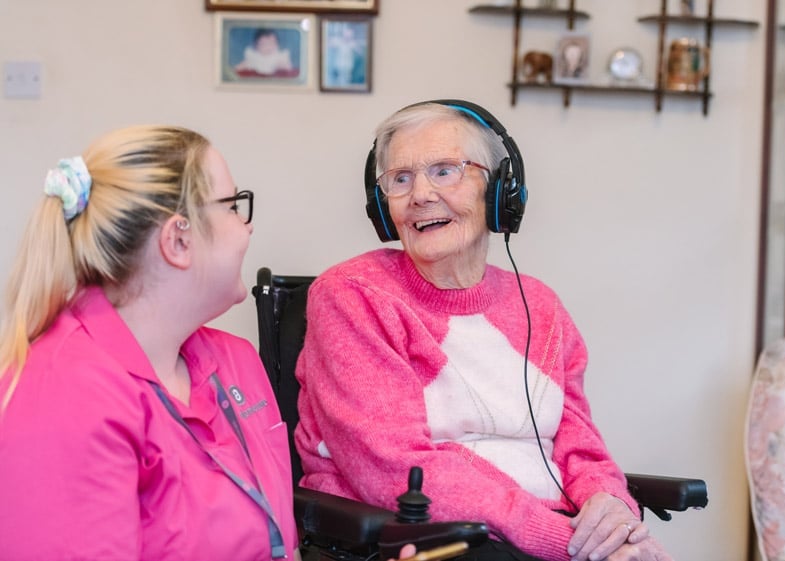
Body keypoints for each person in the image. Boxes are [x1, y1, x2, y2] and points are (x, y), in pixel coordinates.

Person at [294, 100, 673, 561]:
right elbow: (391, 465)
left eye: (444, 171)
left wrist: (611, 513)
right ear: (381, 204)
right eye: (400, 179)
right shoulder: (352, 295)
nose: (420, 195)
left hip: (549, 535)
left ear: (498, 190)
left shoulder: (540, 306)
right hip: (427, 541)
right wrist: (568, 544)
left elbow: (581, 447)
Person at [0, 125, 298, 560]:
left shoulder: (236, 360)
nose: (246, 228)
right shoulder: (62, 397)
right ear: (178, 239)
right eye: (233, 206)